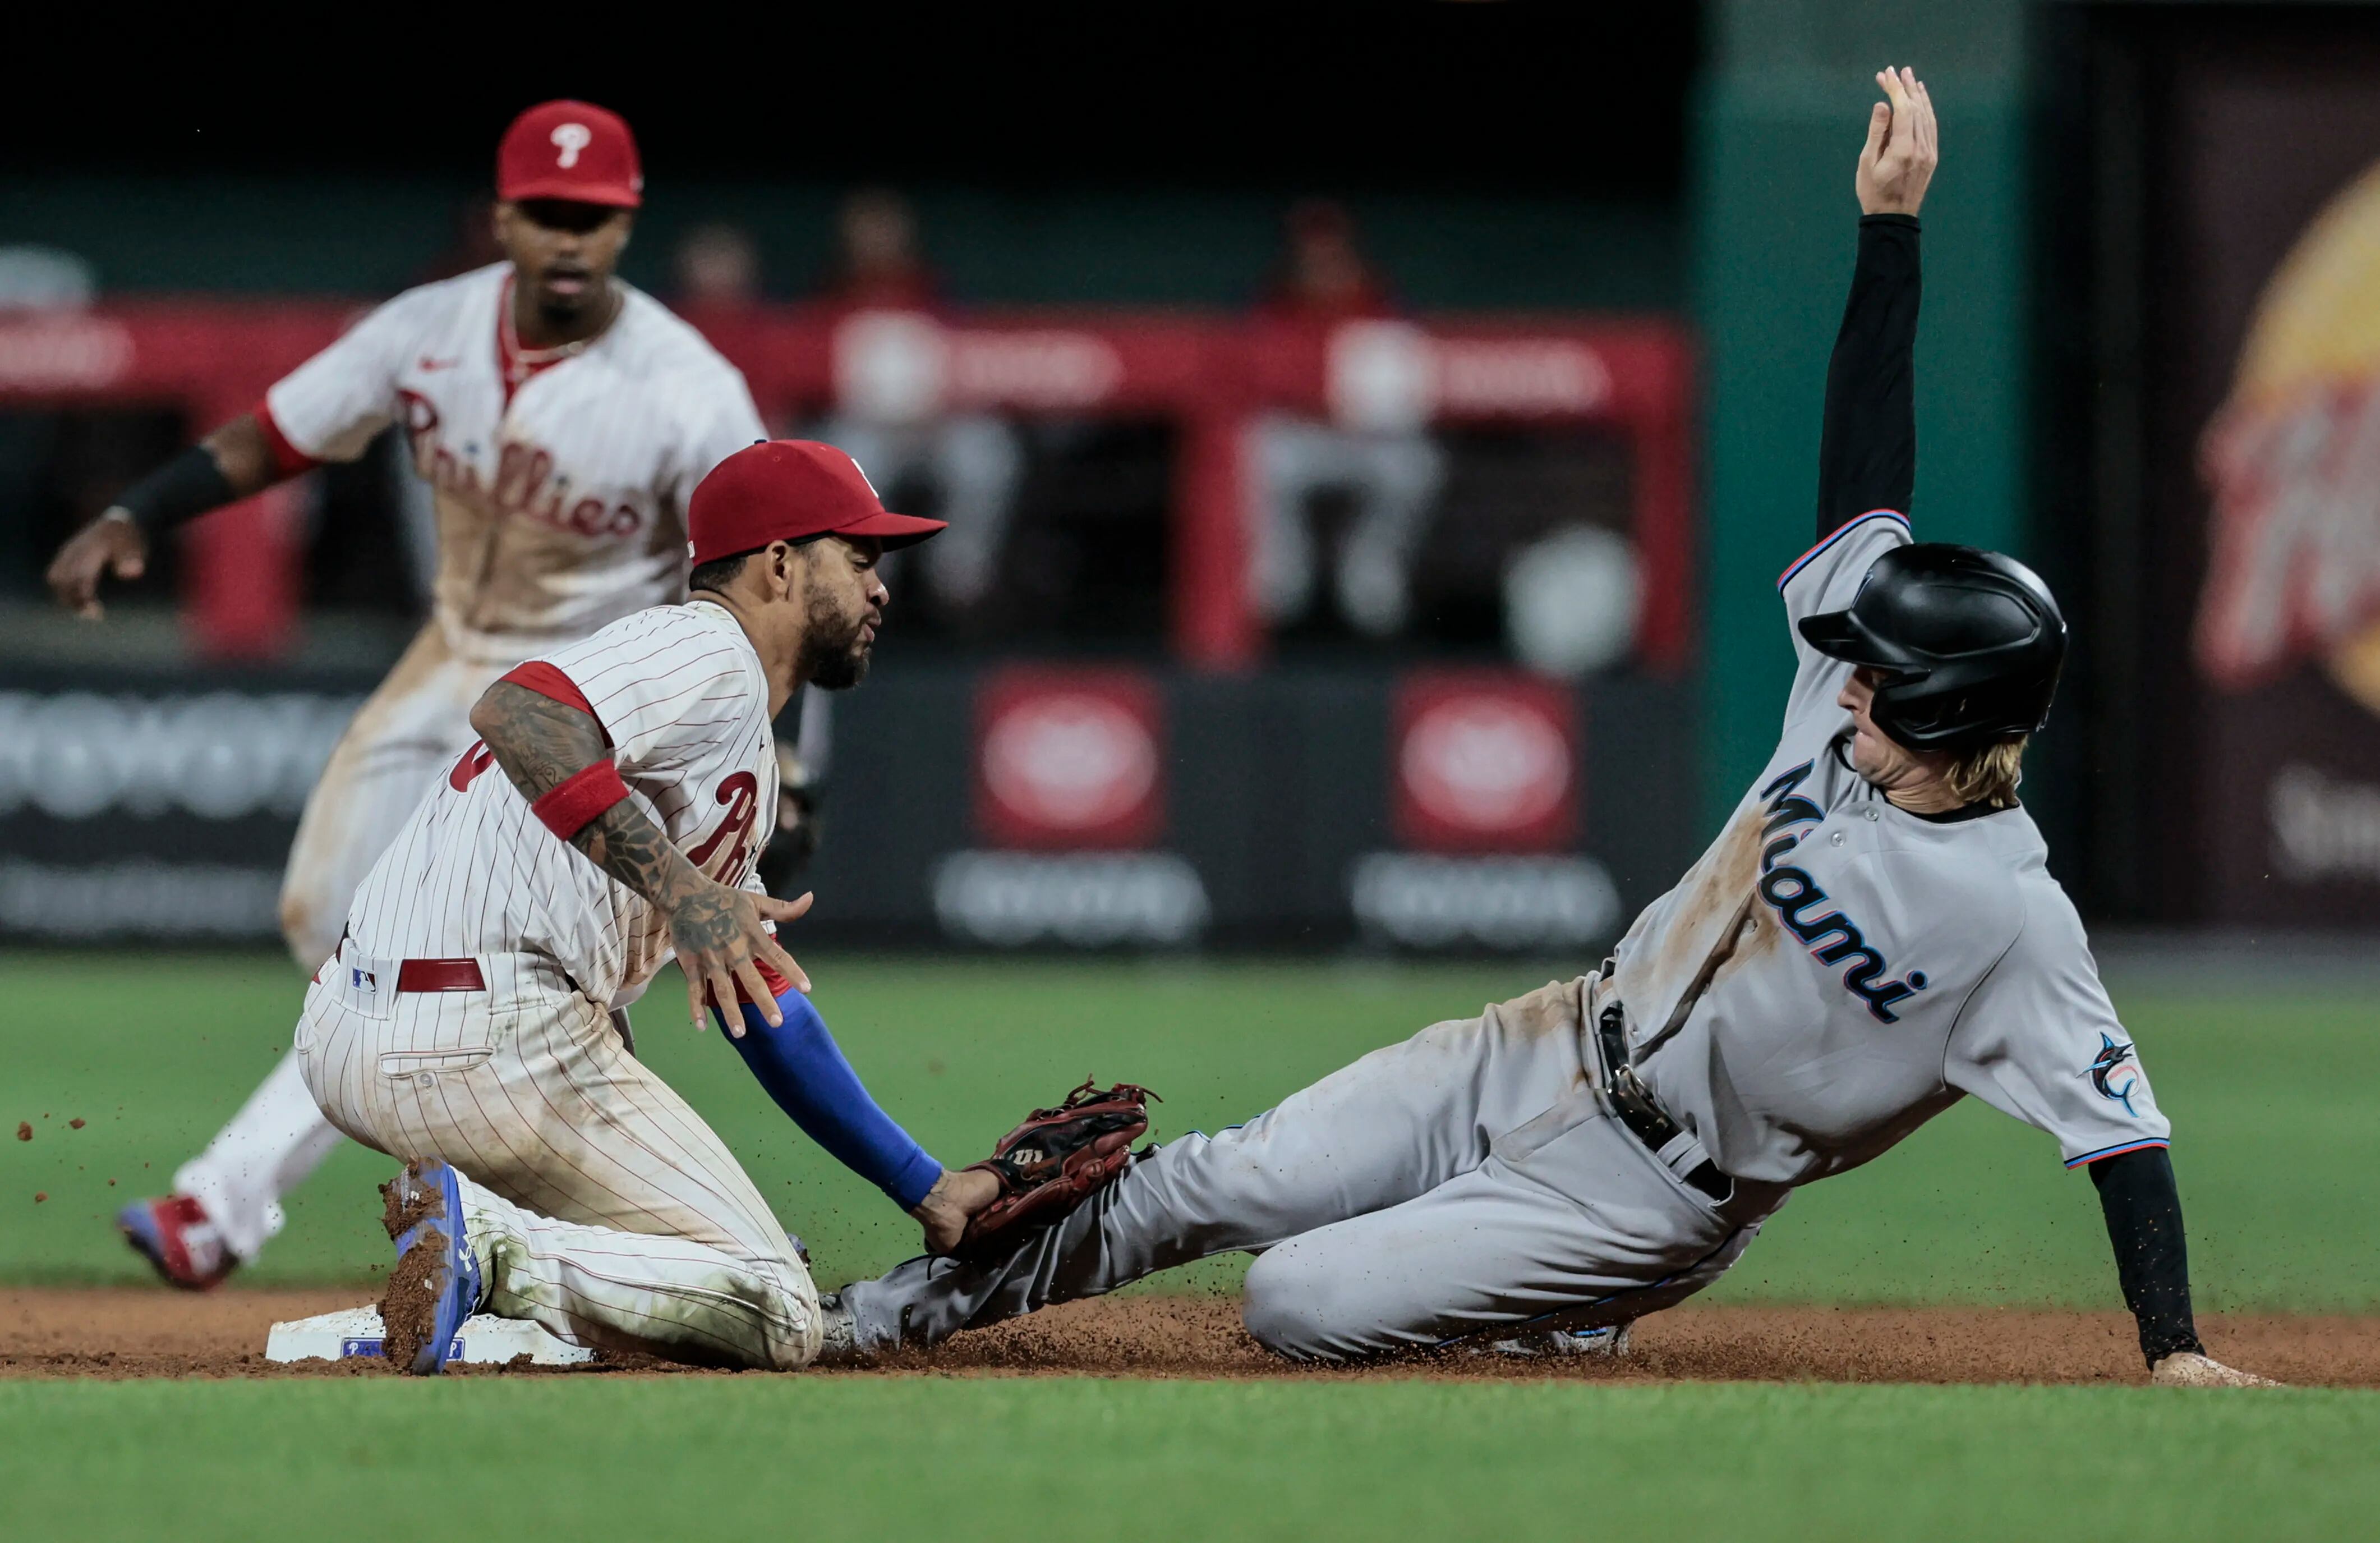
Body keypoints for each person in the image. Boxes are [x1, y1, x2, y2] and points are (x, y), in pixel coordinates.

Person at [823, 70, 2273, 1389]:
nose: (1843, 683)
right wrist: (1887, 237)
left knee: (1292, 1297)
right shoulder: (1843, 707)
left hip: (1645, 1199)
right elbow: (1864, 472)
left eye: (1880, 679)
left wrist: (2178, 1350)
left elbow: (2122, 1137)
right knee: (1225, 1173)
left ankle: (1540, 1293)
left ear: (1954, 713)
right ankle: (886, 1314)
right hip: (1546, 1042)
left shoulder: (2013, 922)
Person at [48, 100, 773, 1289]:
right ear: (506, 218)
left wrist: (783, 771)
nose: (572, 238)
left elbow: (767, 574)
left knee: (494, 970)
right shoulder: (427, 331)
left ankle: (225, 1205)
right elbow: (279, 435)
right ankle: (541, 1210)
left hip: (592, 711)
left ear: (629, 225)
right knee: (335, 923)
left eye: (595, 217)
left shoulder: (688, 386)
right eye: (549, 213)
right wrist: (142, 512)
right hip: (453, 661)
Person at [298, 439, 1001, 1372]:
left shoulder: (725, 729)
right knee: (778, 1310)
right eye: (860, 560)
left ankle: (445, 1310)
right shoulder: (706, 648)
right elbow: (518, 713)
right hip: (486, 1042)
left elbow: (762, 1000)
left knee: (699, 1287)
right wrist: (684, 892)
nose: (880, 591)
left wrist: (926, 1189)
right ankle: (496, 1252)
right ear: (780, 564)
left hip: (367, 1025)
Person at [811, 188, 1021, 615]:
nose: (877, 239)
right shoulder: (831, 290)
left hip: (937, 420)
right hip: (864, 421)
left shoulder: (931, 286)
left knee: (986, 454)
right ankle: (870, 587)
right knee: (849, 462)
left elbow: (968, 353)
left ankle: (960, 581)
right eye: (866, 229)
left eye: (886, 229)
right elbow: (806, 367)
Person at [1246, 199, 1445, 639]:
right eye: (1311, 251)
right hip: (1300, 434)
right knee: (1257, 454)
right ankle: (1279, 584)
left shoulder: (1381, 302)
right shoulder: (1273, 305)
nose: (1321, 262)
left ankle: (1371, 574)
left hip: (1366, 435)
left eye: (1331, 250)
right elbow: (1252, 382)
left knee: (1416, 465)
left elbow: (1410, 380)